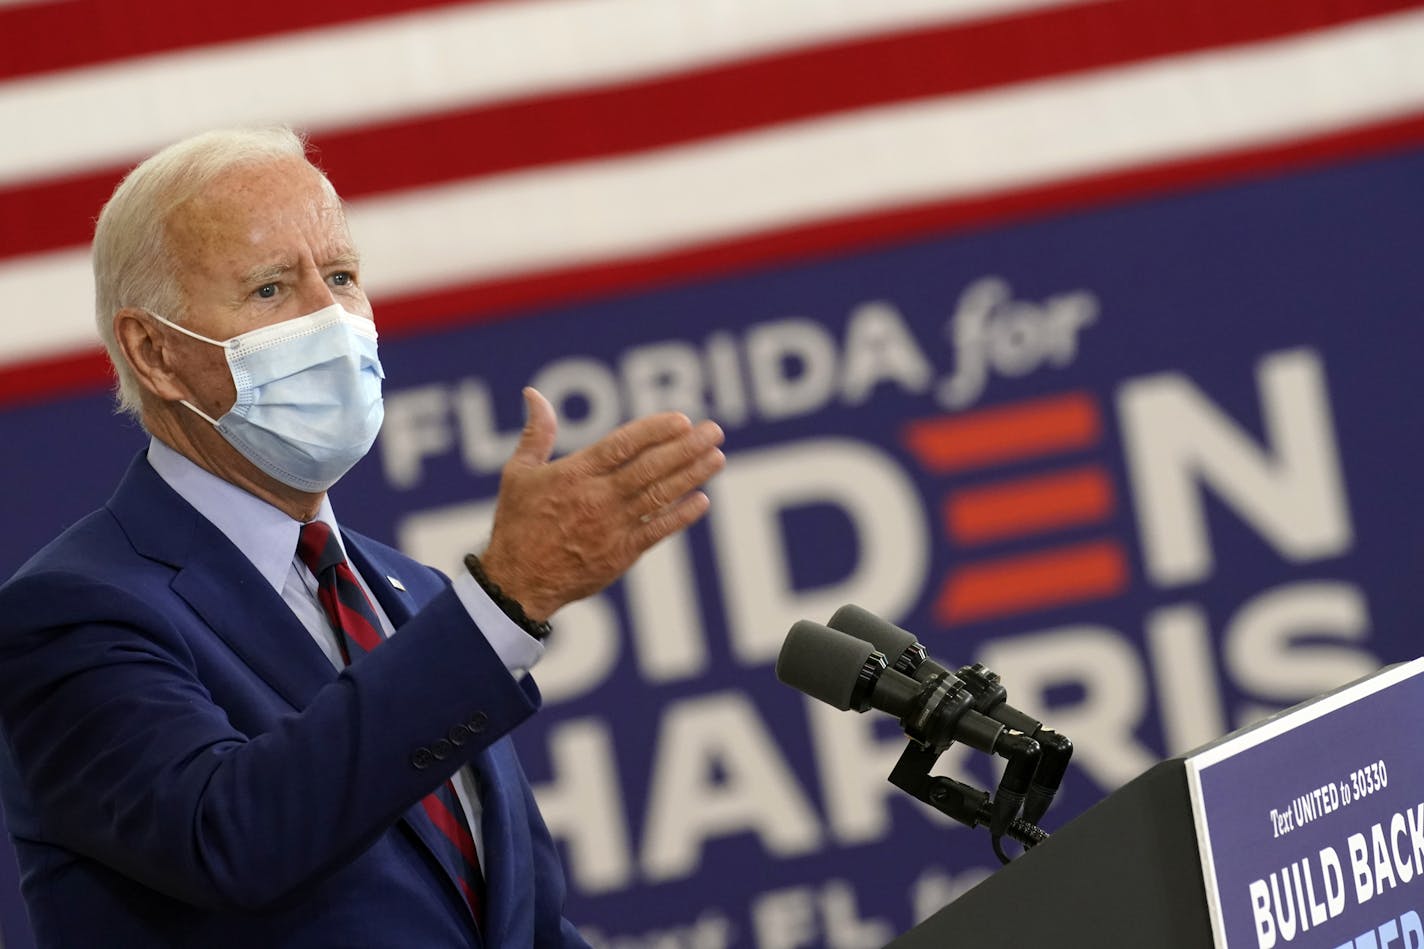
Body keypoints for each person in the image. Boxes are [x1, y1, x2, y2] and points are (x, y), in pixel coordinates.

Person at [0, 126, 726, 948]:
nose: (332, 318)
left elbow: (522, 929)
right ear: (155, 352)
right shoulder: (71, 614)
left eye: (342, 276)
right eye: (272, 289)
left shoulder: (408, 594)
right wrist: (503, 601)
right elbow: (231, 836)